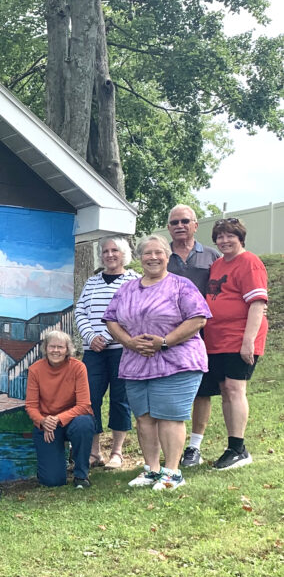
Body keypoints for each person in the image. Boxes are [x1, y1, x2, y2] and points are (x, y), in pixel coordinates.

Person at [104, 235, 211, 490]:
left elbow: (198, 318)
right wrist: (129, 342)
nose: (153, 257)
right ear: (139, 258)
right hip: (136, 363)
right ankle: (151, 470)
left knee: (170, 417)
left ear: (167, 256)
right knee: (144, 418)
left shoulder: (181, 285)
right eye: (147, 253)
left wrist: (164, 342)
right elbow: (111, 320)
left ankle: (172, 473)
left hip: (177, 361)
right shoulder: (127, 289)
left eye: (158, 252)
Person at [202, 218, 268, 470]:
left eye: (230, 235)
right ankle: (233, 446)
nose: (224, 240)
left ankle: (239, 449)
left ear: (240, 238)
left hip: (239, 336)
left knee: (234, 388)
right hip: (217, 338)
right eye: (220, 236)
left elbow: (257, 303)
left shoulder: (250, 262)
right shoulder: (218, 265)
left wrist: (248, 341)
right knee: (225, 390)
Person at [74, 237, 139, 469]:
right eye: (105, 251)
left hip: (122, 350)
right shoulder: (92, 282)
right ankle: (94, 451)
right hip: (93, 351)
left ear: (123, 254)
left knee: (120, 399)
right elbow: (80, 311)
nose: (110, 255)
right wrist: (91, 337)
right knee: (90, 398)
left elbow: (133, 314)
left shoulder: (134, 280)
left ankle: (117, 452)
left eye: (115, 250)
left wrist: (108, 336)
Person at [166, 204, 222, 468]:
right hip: (168, 334)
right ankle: (170, 446)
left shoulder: (212, 256)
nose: (180, 226)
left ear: (195, 225)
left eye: (185, 221)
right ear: (168, 228)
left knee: (203, 389)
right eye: (174, 222)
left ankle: (194, 447)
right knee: (168, 388)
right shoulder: (161, 254)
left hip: (204, 333)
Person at [25, 330, 94, 488]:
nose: (56, 351)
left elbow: (84, 405)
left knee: (84, 424)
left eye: (60, 347)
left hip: (73, 421)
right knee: (52, 481)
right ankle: (54, 463)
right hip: (47, 425)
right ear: (45, 348)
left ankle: (81, 475)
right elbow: (31, 406)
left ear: (67, 349)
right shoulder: (35, 370)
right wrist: (43, 421)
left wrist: (57, 419)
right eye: (52, 346)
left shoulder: (78, 367)